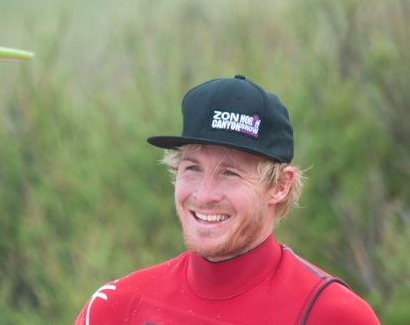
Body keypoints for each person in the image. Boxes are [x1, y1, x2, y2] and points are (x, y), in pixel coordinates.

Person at [75, 75, 380, 324]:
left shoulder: (333, 315)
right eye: (193, 168)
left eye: (230, 173)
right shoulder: (115, 308)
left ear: (280, 186)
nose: (205, 195)